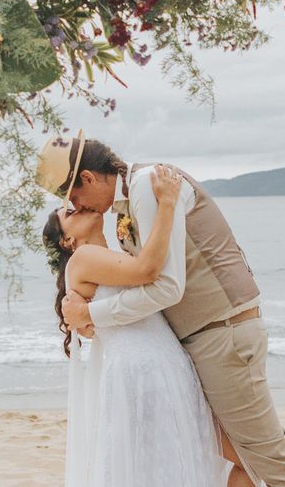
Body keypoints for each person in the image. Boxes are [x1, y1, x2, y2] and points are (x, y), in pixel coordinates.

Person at [35, 132, 285, 487]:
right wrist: (93, 320)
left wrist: (92, 316)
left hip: (222, 332)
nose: (83, 207)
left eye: (76, 197)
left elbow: (166, 285)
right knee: (242, 457)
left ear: (88, 178)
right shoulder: (122, 218)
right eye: (72, 207)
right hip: (193, 345)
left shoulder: (145, 186)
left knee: (264, 454)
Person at [44, 164, 229, 486]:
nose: (79, 207)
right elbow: (148, 271)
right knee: (162, 465)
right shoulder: (84, 258)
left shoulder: (113, 253)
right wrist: (168, 205)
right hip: (143, 371)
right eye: (70, 214)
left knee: (160, 464)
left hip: (160, 363)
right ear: (68, 240)